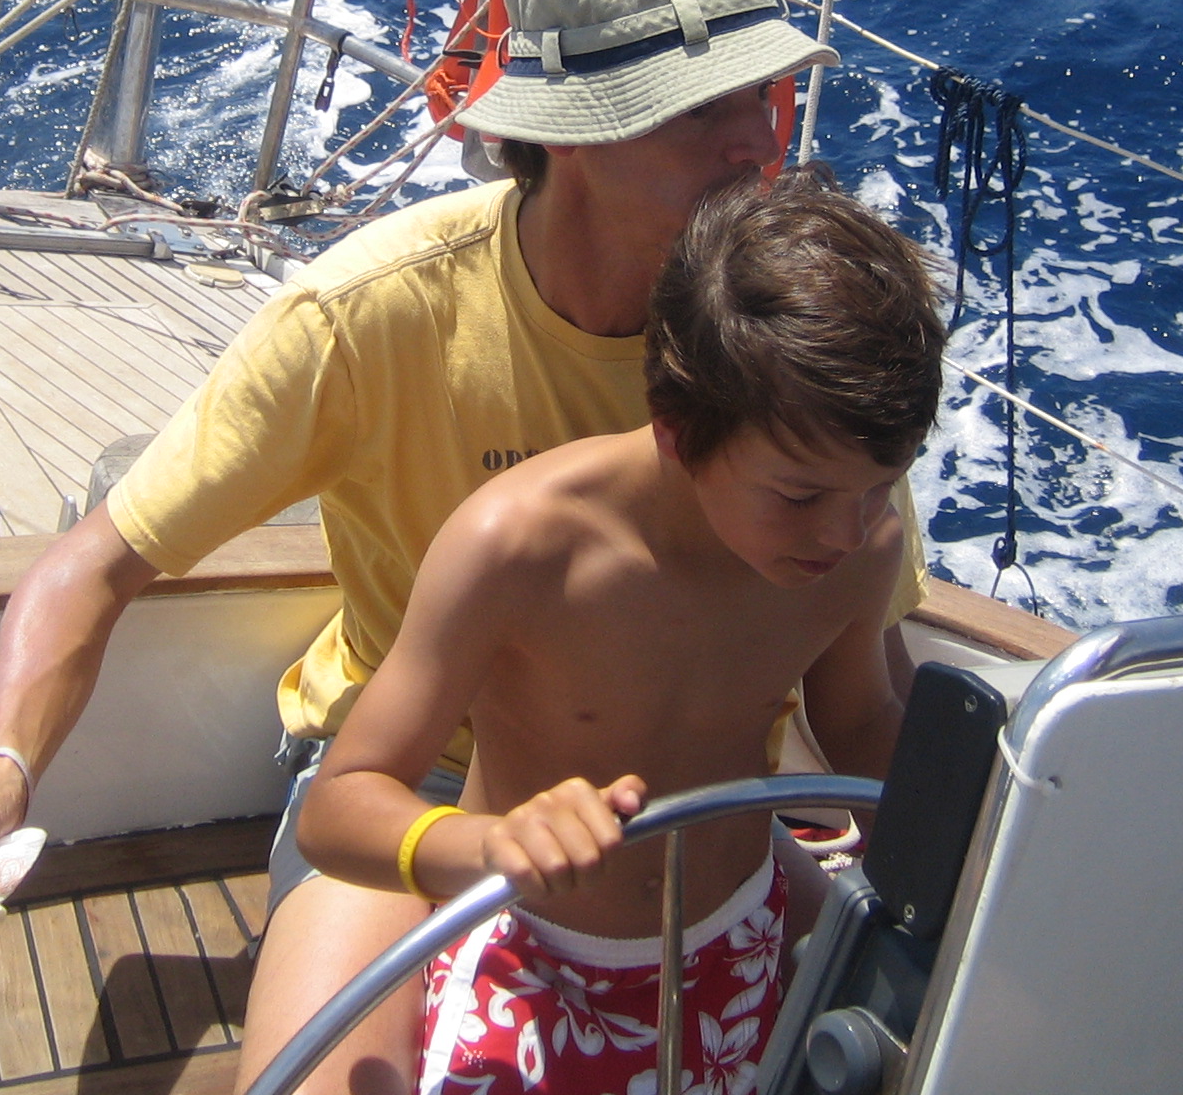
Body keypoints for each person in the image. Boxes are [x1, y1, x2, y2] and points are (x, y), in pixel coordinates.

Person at [0, 0, 927, 1095]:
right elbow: (104, 560)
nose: (753, 145)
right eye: (698, 111)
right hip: (412, 779)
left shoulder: (789, 362)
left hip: (711, 810)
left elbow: (863, 679)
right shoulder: (375, 313)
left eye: (762, 97)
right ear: (571, 131)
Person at [296, 169, 946, 1095]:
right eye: (801, 495)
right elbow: (340, 805)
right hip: (530, 957)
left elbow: (857, 723)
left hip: (742, 944)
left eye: (881, 486)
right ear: (678, 431)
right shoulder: (520, 545)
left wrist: (974, 829)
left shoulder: (858, 541)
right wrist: (490, 847)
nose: (847, 533)